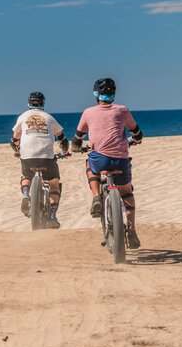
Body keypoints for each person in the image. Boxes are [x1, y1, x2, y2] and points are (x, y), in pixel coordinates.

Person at [71, 78, 143, 248]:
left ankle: (96, 197)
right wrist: (136, 139)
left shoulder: (88, 112)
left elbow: (77, 138)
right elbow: (137, 132)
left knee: (90, 164)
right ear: (113, 94)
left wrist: (75, 147)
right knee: (126, 192)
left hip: (99, 160)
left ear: (96, 95)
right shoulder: (123, 110)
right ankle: (131, 231)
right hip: (120, 160)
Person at [11, 91, 69, 228]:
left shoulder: (23, 116)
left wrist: (18, 150)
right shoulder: (49, 118)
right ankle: (53, 215)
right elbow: (62, 138)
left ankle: (26, 195)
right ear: (43, 103)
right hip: (46, 158)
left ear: (29, 103)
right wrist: (65, 151)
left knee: (26, 175)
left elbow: (14, 139)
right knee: (54, 183)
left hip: (27, 156)